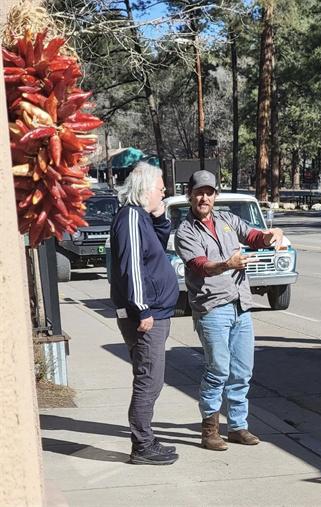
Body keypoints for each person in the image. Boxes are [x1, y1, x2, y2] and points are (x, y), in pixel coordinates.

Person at [175, 170, 284, 451]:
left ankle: (237, 426)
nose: (204, 198)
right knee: (218, 369)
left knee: (242, 371)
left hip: (241, 304)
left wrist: (272, 235)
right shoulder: (186, 231)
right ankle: (210, 430)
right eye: (199, 192)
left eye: (209, 193)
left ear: (215, 196)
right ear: (190, 195)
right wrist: (227, 264)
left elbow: (254, 236)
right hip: (212, 309)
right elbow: (200, 266)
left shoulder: (227, 219)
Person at [110, 162, 180, 465]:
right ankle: (142, 445)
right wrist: (142, 309)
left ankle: (146, 438)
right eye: (160, 187)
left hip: (155, 311)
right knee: (149, 380)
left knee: (152, 378)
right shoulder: (129, 218)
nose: (163, 192)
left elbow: (158, 246)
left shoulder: (141, 218)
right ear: (144, 189)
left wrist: (161, 216)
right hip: (145, 314)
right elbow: (132, 268)